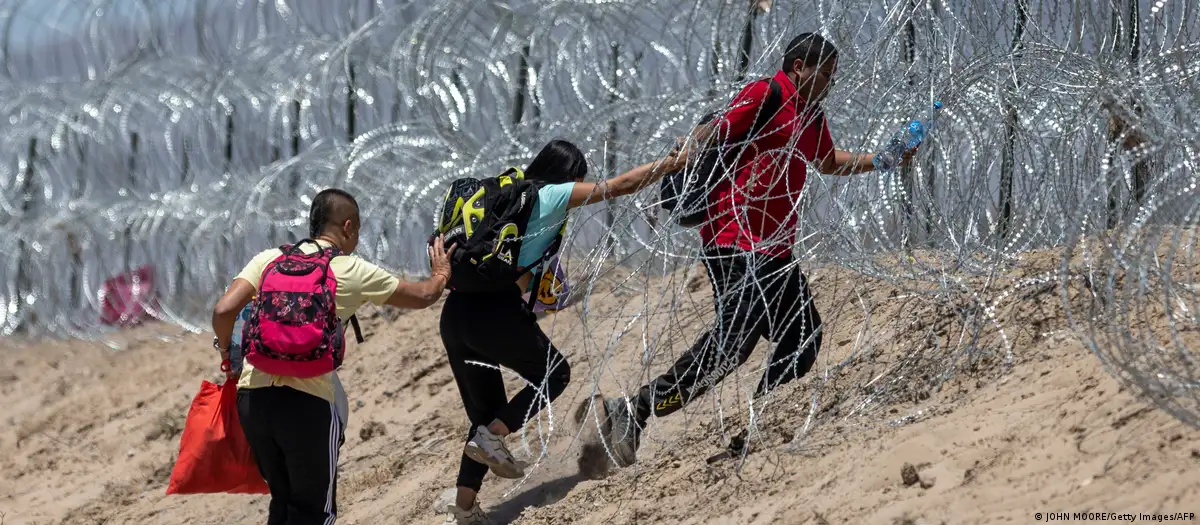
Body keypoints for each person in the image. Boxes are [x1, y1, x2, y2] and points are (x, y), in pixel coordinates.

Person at [586, 32, 917, 468]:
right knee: (734, 341)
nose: (830, 83)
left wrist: (883, 159)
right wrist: (676, 163)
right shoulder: (768, 93)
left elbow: (829, 162)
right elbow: (715, 129)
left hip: (775, 248)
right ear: (799, 66)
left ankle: (761, 422)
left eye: (835, 76)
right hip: (734, 240)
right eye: (825, 73)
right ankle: (636, 410)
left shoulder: (811, 114)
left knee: (803, 337)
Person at [439, 139, 690, 524]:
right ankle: (493, 438)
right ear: (570, 175)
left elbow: (519, 277)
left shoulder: (509, 197)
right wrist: (672, 164)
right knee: (555, 373)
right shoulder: (551, 193)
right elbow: (619, 186)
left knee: (484, 419)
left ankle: (464, 509)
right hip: (491, 310)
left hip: (455, 313)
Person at [210, 188, 455, 525]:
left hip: (254, 401)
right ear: (348, 226)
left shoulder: (270, 259)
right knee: (315, 513)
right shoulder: (350, 270)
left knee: (283, 504)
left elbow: (223, 310)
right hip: (308, 404)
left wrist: (228, 358)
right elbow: (424, 295)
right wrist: (441, 273)